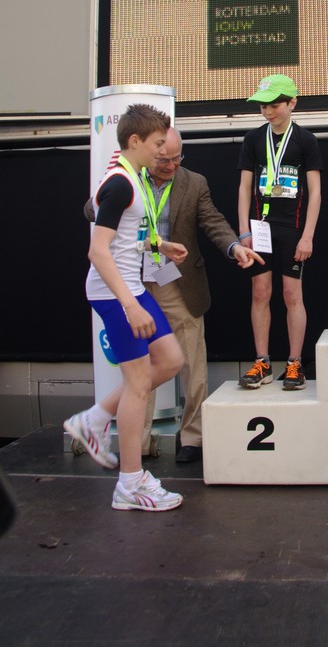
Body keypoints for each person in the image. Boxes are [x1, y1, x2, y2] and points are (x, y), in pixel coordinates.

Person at [64, 104, 187, 512]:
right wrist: (130, 305)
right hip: (115, 294)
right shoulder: (120, 184)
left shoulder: (131, 177)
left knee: (170, 360)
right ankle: (130, 484)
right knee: (137, 385)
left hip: (130, 289)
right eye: (157, 144)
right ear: (135, 141)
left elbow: (124, 236)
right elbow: (98, 251)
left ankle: (94, 418)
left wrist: (160, 244)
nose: (162, 152)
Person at [138, 127, 263, 462]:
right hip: (133, 284)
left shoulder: (194, 183)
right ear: (149, 153)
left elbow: (213, 222)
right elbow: (93, 210)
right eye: (164, 160)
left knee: (191, 362)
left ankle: (193, 437)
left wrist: (234, 247)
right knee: (141, 364)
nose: (171, 165)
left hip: (176, 281)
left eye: (177, 158)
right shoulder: (128, 179)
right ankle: (138, 441)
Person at [237, 74, 322, 390]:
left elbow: (315, 192)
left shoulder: (305, 140)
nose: (268, 111)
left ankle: (294, 364)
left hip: (293, 228)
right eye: (263, 106)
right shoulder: (253, 139)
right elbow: (244, 188)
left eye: (274, 105)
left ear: (292, 103)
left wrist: (308, 235)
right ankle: (262, 362)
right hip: (260, 228)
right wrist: (243, 231)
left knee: (291, 294)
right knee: (260, 292)